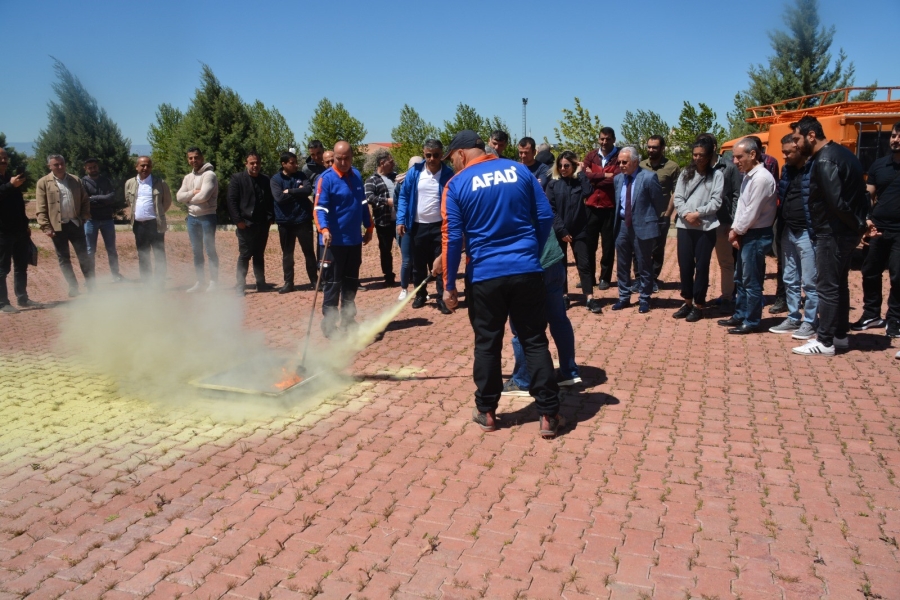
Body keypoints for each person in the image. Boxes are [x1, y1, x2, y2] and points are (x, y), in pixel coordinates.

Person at [440, 130, 563, 439]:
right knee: (534, 339)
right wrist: (530, 250)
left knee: (487, 343)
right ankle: (548, 413)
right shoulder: (520, 170)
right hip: (526, 269)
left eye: (453, 159)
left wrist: (449, 284)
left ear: (462, 153)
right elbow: (545, 215)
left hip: (484, 275)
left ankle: (487, 411)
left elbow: (453, 237)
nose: (453, 165)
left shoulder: (456, 184)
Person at [790, 116, 868, 355]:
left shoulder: (824, 160)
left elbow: (836, 202)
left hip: (833, 233)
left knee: (827, 287)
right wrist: (859, 225)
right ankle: (839, 335)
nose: (795, 144)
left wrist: (858, 225)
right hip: (843, 232)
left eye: (797, 138)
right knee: (839, 285)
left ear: (811, 135)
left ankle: (824, 341)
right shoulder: (843, 154)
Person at [502, 231, 581, 395]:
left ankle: (523, 380)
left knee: (522, 326)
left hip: (533, 265)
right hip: (553, 261)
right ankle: (569, 372)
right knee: (559, 319)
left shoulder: (508, 204)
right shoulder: (539, 203)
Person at [716, 138, 777, 334]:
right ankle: (741, 314)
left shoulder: (761, 179)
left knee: (751, 280)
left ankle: (751, 320)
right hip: (747, 233)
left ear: (753, 155)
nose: (735, 161)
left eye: (739, 156)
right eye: (733, 157)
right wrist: (737, 229)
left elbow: (752, 212)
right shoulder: (749, 176)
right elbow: (742, 207)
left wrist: (735, 231)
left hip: (756, 234)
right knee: (740, 277)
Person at [313, 141, 373, 337]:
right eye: (339, 158)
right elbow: (319, 208)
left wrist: (369, 226)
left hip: (353, 241)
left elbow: (362, 203)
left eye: (347, 158)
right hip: (332, 243)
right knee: (332, 285)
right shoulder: (326, 179)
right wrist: (324, 229)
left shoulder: (356, 175)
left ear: (352, 157)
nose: (343, 162)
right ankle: (329, 326)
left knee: (350, 283)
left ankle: (348, 320)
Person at [396, 139, 455, 314]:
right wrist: (400, 220)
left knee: (440, 264)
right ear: (424, 154)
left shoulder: (448, 174)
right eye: (428, 155)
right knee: (418, 265)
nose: (432, 159)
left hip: (439, 226)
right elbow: (404, 197)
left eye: (436, 155)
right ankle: (420, 294)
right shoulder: (415, 172)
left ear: (441, 154)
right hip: (417, 226)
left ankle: (441, 297)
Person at [853, 122, 900, 339]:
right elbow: (868, 194)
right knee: (870, 272)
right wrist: (867, 220)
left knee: (897, 277)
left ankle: (895, 319)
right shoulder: (879, 165)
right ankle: (871, 314)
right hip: (878, 229)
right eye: (893, 136)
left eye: (899, 137)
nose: (895, 140)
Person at [768, 134, 818, 339]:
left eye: (789, 152)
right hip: (787, 230)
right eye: (784, 152)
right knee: (790, 277)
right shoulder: (787, 171)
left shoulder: (814, 169)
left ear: (800, 149)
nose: (785, 156)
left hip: (807, 231)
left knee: (810, 280)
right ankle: (793, 316)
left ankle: (811, 321)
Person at [671, 139, 723, 322]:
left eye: (701, 155)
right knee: (685, 265)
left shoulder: (717, 176)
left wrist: (698, 213)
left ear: (709, 156)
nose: (698, 158)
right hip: (684, 226)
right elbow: (678, 197)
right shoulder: (686, 173)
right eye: (695, 154)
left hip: (706, 227)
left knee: (702, 266)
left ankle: (699, 304)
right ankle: (687, 301)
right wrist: (686, 214)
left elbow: (716, 201)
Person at [610, 147, 665, 313]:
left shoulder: (648, 177)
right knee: (622, 264)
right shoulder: (618, 179)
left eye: (624, 162)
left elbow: (658, 203)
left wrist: (648, 220)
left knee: (644, 264)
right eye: (619, 162)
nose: (621, 165)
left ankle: (644, 298)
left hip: (642, 226)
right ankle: (624, 297)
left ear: (634, 162)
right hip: (622, 226)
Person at [35, 154, 95, 296]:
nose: (60, 167)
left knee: (84, 256)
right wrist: (46, 226)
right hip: (58, 227)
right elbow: (41, 208)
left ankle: (92, 285)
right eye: (56, 165)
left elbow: (85, 200)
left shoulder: (75, 180)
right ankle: (73, 287)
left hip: (75, 224)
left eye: (62, 163)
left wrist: (85, 217)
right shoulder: (43, 183)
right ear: (49, 166)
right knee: (64, 258)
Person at [544, 151, 594, 311]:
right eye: (560, 166)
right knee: (561, 265)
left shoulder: (579, 182)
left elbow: (588, 191)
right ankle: (564, 296)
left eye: (567, 165)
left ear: (573, 166)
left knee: (584, 264)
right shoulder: (553, 184)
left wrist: (582, 173)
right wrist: (562, 230)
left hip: (579, 230)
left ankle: (589, 297)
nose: (563, 168)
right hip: (560, 231)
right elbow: (551, 209)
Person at [699, 133, 743, 313]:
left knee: (726, 262)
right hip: (701, 222)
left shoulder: (729, 167)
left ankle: (727, 298)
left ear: (714, 148)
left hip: (722, 222)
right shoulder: (698, 167)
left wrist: (733, 222)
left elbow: (736, 195)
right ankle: (699, 297)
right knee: (701, 261)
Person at [227, 151, 275, 295]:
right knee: (245, 255)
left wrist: (270, 218)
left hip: (262, 224)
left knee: (259, 254)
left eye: (257, 163)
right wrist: (238, 221)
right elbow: (231, 201)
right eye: (252, 163)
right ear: (246, 163)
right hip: (245, 224)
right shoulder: (237, 179)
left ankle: (261, 283)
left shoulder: (265, 179)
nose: (255, 165)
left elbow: (270, 200)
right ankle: (240, 286)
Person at [270, 151, 316, 294]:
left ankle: (314, 281)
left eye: (296, 162)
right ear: (283, 164)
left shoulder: (302, 176)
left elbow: (308, 190)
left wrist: (289, 191)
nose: (296, 165)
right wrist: (298, 192)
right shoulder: (275, 180)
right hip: (285, 222)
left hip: (303, 220)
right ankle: (288, 283)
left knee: (309, 252)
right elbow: (279, 198)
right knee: (287, 254)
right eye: (292, 163)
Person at [124, 156, 172, 288]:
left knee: (159, 254)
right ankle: (146, 283)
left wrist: (158, 214)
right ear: (136, 167)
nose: (145, 168)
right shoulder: (129, 183)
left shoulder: (160, 183)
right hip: (139, 225)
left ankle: (159, 283)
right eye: (142, 165)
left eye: (148, 166)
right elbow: (129, 201)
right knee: (143, 254)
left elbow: (166, 202)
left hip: (155, 224)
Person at [582, 127, 621, 292]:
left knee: (608, 245)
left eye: (608, 139)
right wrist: (605, 175)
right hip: (591, 207)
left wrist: (594, 177)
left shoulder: (619, 157)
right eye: (602, 139)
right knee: (589, 245)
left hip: (609, 207)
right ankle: (588, 278)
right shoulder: (591, 155)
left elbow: (617, 179)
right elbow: (583, 175)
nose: (604, 142)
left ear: (613, 139)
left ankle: (605, 278)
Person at [639, 135, 680, 289]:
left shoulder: (672, 167)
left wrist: (668, 213)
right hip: (642, 215)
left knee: (657, 248)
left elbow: (676, 192)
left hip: (661, 215)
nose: (651, 150)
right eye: (649, 147)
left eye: (654, 147)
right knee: (639, 248)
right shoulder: (640, 165)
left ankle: (653, 278)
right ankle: (640, 278)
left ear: (662, 148)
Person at [176, 147, 219, 292]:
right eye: (190, 158)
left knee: (210, 250)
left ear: (202, 157)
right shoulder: (188, 178)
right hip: (192, 219)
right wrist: (193, 193)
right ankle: (200, 281)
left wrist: (187, 199)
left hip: (207, 217)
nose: (193, 160)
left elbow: (204, 196)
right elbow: (178, 197)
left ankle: (214, 282)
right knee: (196, 251)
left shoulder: (209, 175)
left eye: (196, 157)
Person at [0, 148, 37, 312]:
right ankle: (3, 303)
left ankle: (23, 298)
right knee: (2, 269)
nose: (3, 160)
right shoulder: (10, 182)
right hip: (2, 233)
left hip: (19, 231)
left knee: (21, 267)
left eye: (5, 157)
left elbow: (18, 205)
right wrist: (10, 186)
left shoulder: (10, 178)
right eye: (0, 157)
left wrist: (25, 225)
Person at [81, 158, 122, 282]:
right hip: (90, 220)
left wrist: (95, 198)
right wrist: (102, 199)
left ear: (98, 167)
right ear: (86, 169)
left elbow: (112, 197)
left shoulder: (106, 181)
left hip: (107, 219)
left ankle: (115, 275)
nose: (93, 169)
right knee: (90, 250)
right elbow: (85, 200)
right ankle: (90, 278)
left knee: (111, 249)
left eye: (95, 167)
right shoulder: (82, 182)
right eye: (90, 167)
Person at [364, 148, 398, 287]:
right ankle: (388, 276)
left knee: (407, 248)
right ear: (382, 163)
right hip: (383, 222)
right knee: (385, 250)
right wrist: (386, 201)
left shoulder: (396, 177)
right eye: (391, 161)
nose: (393, 163)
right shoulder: (372, 180)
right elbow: (369, 197)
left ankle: (411, 275)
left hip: (399, 220)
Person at [395, 156, 422, 301]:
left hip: (420, 225)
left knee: (420, 260)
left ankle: (420, 290)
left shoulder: (425, 181)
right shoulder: (401, 183)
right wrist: (402, 221)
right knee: (407, 260)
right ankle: (404, 288)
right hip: (406, 226)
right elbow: (397, 204)